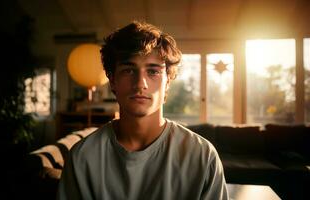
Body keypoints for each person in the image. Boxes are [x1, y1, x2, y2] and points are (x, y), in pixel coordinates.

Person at [57, 21, 228, 200]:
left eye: (153, 72)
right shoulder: (82, 157)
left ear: (168, 82)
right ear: (112, 80)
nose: (140, 84)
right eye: (129, 70)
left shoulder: (202, 156)